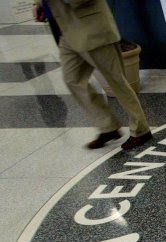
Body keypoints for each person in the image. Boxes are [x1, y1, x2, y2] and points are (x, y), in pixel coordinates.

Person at [33, 0, 153, 150]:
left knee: (116, 81)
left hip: (93, 30)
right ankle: (108, 127)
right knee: (72, 80)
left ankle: (141, 129)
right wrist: (40, 4)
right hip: (68, 31)